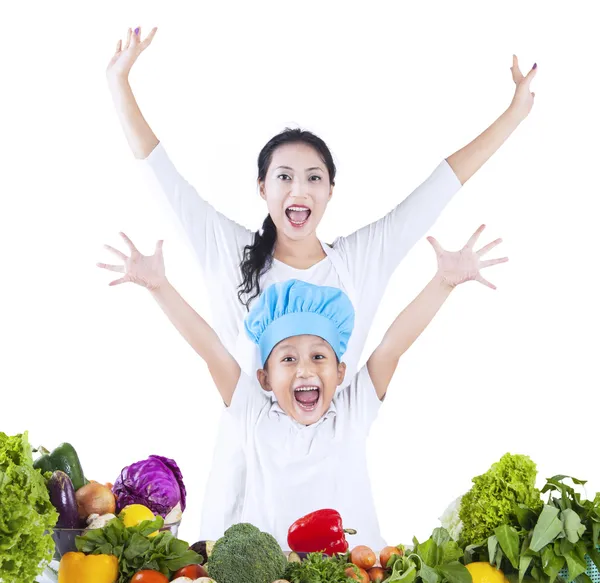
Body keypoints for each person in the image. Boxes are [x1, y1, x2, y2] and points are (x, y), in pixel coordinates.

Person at [105, 26, 534, 538]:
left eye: (313, 177)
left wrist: (515, 114)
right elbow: (161, 173)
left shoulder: (359, 261)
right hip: (247, 468)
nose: (298, 188)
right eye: (283, 176)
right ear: (262, 187)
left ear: (331, 189)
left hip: (336, 468)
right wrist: (119, 83)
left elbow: (440, 186)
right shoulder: (230, 252)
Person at [97, 224, 508, 546]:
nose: (305, 370)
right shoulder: (254, 414)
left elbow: (392, 346)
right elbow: (211, 349)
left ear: (340, 372)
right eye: (288, 359)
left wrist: (444, 284)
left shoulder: (352, 410)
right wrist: (160, 287)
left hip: (358, 578)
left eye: (318, 357)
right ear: (264, 377)